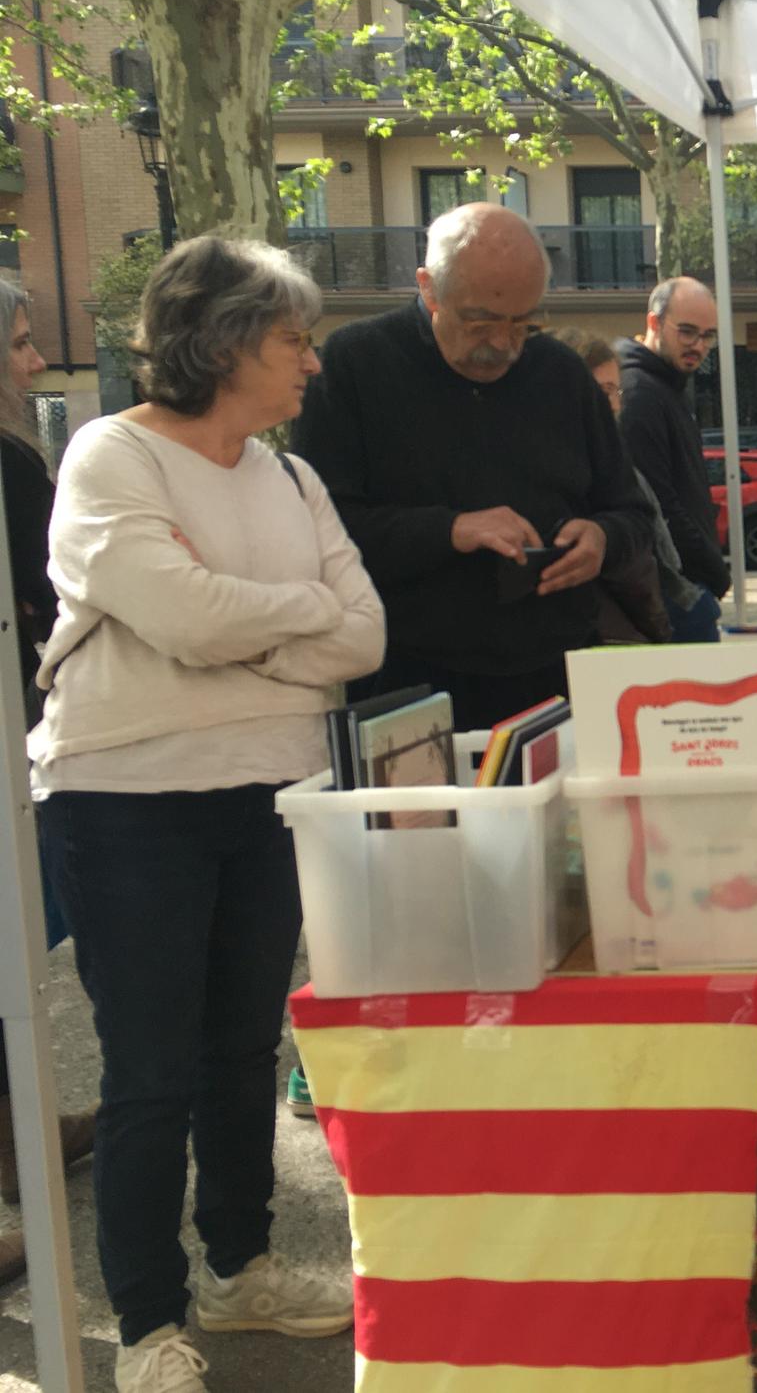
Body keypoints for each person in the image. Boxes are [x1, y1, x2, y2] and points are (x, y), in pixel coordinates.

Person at [30, 236, 385, 1393]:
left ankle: (240, 1267)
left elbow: (364, 633)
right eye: (292, 340)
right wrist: (287, 622)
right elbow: (183, 616)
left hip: (270, 789)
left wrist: (235, 628)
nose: (311, 363)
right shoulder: (111, 455)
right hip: (126, 799)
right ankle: (147, 1326)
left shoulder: (291, 477)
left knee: (241, 1052)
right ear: (224, 343)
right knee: (150, 1073)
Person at [293, 203, 651, 728]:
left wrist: (603, 538)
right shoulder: (356, 364)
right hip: (408, 681)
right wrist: (451, 530)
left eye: (523, 323)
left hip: (554, 674)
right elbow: (321, 531)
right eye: (480, 321)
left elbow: (633, 512)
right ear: (428, 289)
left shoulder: (562, 374)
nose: (503, 345)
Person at [0, 282, 94, 1289]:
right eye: (20, 345)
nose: (34, 362)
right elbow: (49, 588)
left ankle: (19, 1128)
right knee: (25, 924)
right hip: (14, 730)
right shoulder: (13, 462)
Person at [544, 325, 701, 644]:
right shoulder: (559, 466)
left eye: (616, 391)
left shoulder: (611, 458)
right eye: (603, 392)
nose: (614, 405)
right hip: (603, 632)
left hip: (635, 621)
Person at [617, 278, 729, 644]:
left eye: (708, 336)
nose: (698, 345)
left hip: (681, 585)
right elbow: (658, 504)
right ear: (654, 322)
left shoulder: (666, 385)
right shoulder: (639, 393)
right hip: (672, 589)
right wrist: (712, 571)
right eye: (687, 332)